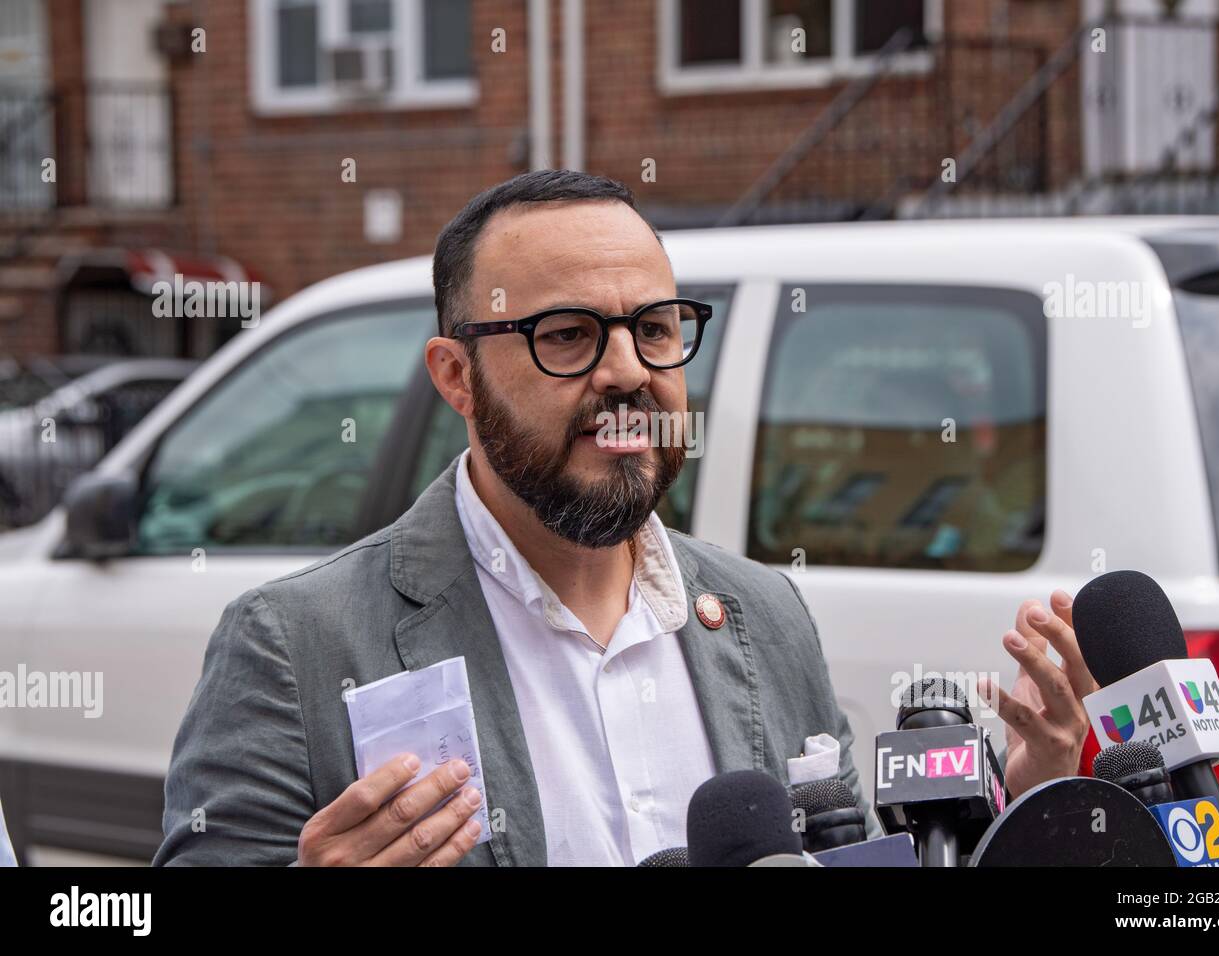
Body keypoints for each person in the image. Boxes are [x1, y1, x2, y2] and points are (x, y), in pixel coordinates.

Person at [155, 170, 1096, 866]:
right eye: (566, 335)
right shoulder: (294, 645)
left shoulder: (764, 614)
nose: (625, 372)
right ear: (456, 377)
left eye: (653, 329)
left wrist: (1015, 806)